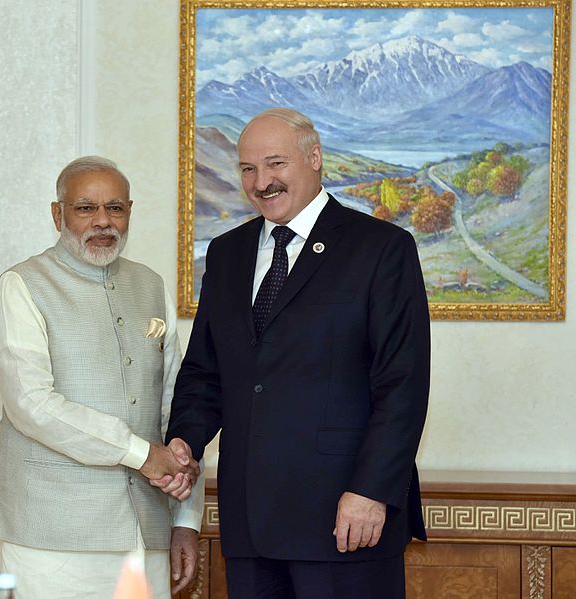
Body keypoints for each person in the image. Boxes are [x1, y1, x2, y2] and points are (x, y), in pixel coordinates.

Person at [164, 108, 430, 598]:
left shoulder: (381, 249)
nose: (261, 182)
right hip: (250, 525)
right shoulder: (226, 255)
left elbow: (403, 386)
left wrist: (371, 491)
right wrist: (184, 440)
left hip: (345, 519)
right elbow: (206, 372)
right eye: (247, 169)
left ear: (315, 158)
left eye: (275, 164)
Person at [0, 156, 202, 598]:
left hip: (147, 530)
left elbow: (173, 404)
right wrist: (140, 453)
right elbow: (31, 404)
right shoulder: (22, 285)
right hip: (50, 534)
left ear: (129, 212)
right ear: (57, 213)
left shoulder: (149, 284)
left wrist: (185, 522)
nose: (103, 221)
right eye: (86, 208)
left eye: (116, 208)